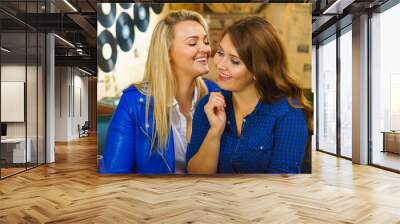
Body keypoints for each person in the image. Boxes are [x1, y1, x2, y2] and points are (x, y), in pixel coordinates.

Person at [186, 16, 313, 174]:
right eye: (220, 52)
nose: (220, 64)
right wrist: (215, 132)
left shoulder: (288, 113)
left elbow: (282, 186)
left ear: (257, 70)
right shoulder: (208, 106)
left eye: (234, 61)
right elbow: (194, 176)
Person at [99, 10, 219, 174]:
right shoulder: (133, 102)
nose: (205, 49)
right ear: (167, 52)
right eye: (192, 43)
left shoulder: (217, 95)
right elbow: (115, 173)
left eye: (205, 41)